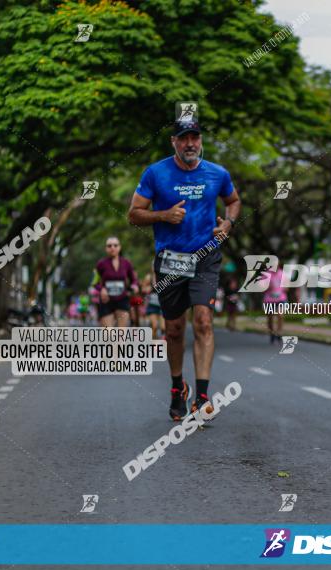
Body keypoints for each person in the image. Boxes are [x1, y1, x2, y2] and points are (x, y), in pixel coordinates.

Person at [127, 119, 241, 421]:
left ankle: (203, 395)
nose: (190, 143)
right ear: (173, 142)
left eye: (195, 137)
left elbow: (233, 201)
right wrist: (163, 215)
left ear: (200, 140)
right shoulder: (156, 173)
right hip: (170, 260)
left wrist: (227, 223)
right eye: (183, 138)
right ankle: (178, 386)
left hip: (206, 256)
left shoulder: (218, 173)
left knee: (203, 321)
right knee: (175, 329)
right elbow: (133, 214)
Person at [91, 236, 139, 328]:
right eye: (109, 246)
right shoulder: (100, 264)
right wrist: (102, 289)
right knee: (109, 335)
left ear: (119, 247)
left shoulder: (126, 263)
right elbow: (94, 282)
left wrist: (134, 286)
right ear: (106, 248)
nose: (112, 247)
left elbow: (134, 280)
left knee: (121, 335)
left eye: (115, 245)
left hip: (122, 299)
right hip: (106, 300)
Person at [262, 267, 286, 344]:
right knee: (270, 318)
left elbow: (287, 286)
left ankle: (279, 333)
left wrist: (285, 287)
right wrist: (268, 286)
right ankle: (272, 333)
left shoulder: (282, 273)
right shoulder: (266, 274)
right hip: (269, 299)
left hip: (280, 298)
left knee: (280, 315)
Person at [142, 272, 165, 339]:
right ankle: (154, 342)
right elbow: (143, 289)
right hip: (152, 305)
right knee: (154, 326)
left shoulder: (165, 276)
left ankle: (161, 340)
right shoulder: (149, 277)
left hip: (162, 305)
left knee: (163, 327)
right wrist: (147, 289)